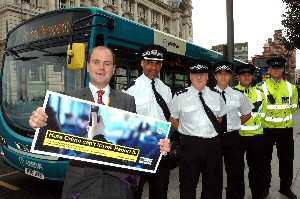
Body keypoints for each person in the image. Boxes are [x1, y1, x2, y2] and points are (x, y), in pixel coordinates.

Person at [29, 46, 171, 199]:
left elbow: (134, 140)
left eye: (107, 63)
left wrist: (158, 145)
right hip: (81, 186)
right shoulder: (68, 100)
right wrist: (38, 121)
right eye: (96, 62)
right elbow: (52, 134)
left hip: (120, 186)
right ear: (88, 66)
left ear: (114, 68)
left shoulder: (127, 100)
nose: (101, 68)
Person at [169, 59, 227, 199]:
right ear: (190, 76)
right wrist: (183, 131)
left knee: (213, 184)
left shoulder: (217, 95)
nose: (199, 77)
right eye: (195, 74)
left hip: (212, 145)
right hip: (190, 145)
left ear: (208, 76)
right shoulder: (180, 96)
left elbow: (220, 118)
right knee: (188, 184)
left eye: (202, 74)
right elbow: (173, 118)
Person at [123, 44, 173, 199]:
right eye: (150, 62)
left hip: (160, 151)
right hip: (138, 149)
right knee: (134, 193)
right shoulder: (130, 90)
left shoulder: (166, 90)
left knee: (160, 192)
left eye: (157, 63)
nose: (154, 67)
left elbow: (170, 119)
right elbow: (125, 121)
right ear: (142, 63)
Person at [213, 60, 254, 199]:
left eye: (226, 74)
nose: (223, 77)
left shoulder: (238, 95)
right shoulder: (207, 94)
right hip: (214, 138)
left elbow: (248, 113)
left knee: (235, 172)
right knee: (213, 172)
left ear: (231, 76)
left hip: (233, 138)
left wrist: (235, 122)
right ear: (215, 76)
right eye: (220, 74)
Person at [259, 57, 298, 199]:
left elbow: (293, 108)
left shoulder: (291, 87)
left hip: (285, 129)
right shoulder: (261, 87)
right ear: (269, 70)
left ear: (282, 70)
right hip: (266, 129)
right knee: (264, 160)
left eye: (279, 67)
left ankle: (285, 188)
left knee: (287, 160)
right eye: (274, 68)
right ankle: (264, 187)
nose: (276, 70)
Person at [235, 64, 267, 199]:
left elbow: (264, 115)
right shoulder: (232, 93)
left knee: (257, 170)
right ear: (238, 77)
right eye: (243, 75)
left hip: (256, 137)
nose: (246, 77)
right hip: (237, 137)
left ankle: (257, 195)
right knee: (236, 171)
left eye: (249, 75)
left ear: (252, 76)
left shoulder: (260, 93)